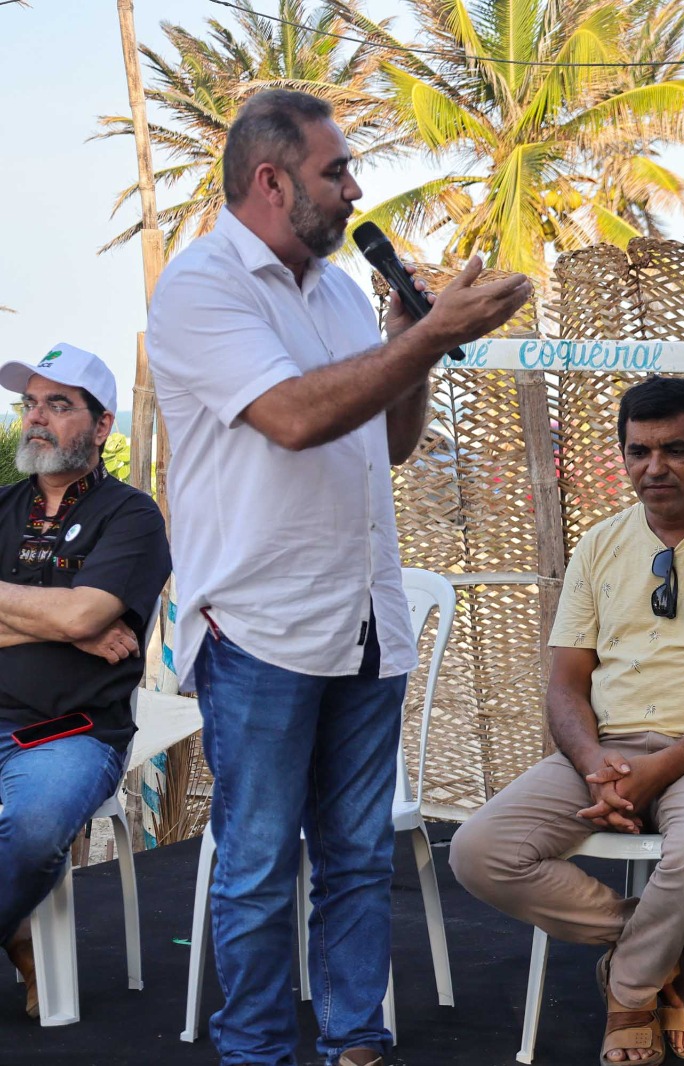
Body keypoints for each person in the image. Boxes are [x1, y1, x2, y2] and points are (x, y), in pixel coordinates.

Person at [146, 89, 530, 1066]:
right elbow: (293, 417)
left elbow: (389, 442)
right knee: (259, 865)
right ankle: (256, 1052)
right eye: (337, 170)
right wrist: (427, 337)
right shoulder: (201, 287)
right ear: (271, 181)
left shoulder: (338, 293)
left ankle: (357, 1043)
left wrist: (409, 346)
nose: (356, 189)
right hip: (262, 628)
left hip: (365, 621)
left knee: (358, 860)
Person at [449, 376, 684, 1066]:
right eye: (639, 451)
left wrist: (657, 772)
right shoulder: (600, 544)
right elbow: (565, 685)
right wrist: (594, 764)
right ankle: (662, 952)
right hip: (606, 750)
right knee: (478, 852)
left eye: (675, 450)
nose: (654, 467)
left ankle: (630, 990)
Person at [0, 344, 170, 1021]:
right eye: (30, 404)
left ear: (102, 427)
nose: (36, 417)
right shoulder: (1, 507)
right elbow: (76, 618)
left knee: (36, 826)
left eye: (59, 404)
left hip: (69, 733)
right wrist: (67, 626)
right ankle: (17, 930)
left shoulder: (131, 516)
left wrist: (77, 620)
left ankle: (18, 927)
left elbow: (86, 614)